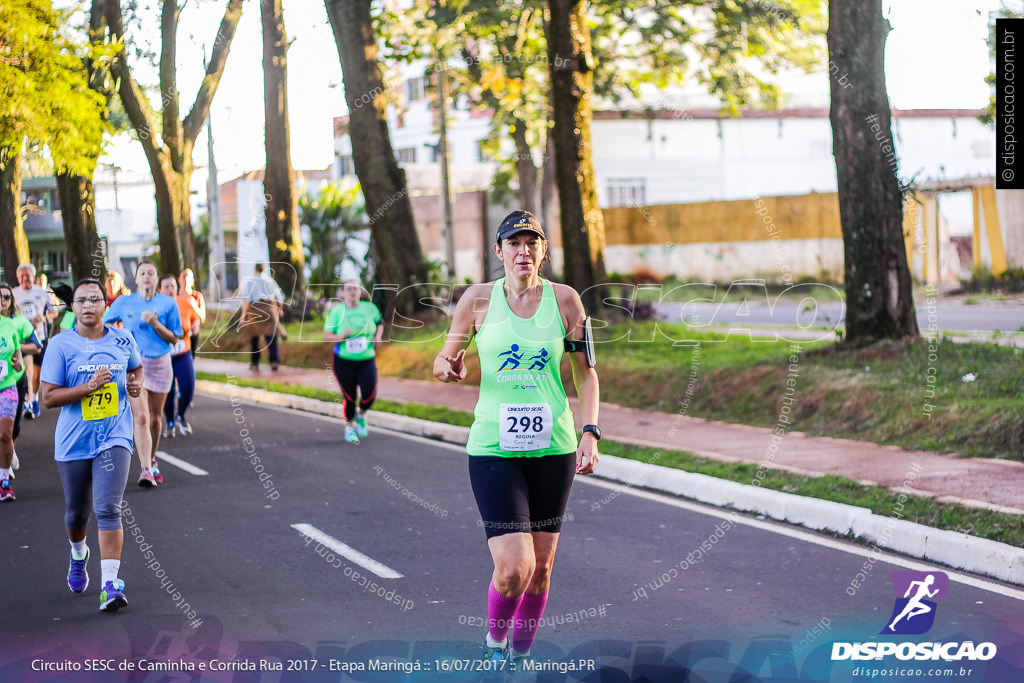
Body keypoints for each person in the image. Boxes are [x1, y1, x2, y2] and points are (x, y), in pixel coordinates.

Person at [432, 210, 601, 668]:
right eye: (514, 243)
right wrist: (449, 365)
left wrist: (590, 431)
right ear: (498, 251)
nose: (523, 250)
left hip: (555, 448)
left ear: (543, 251)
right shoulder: (477, 300)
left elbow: (586, 376)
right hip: (493, 449)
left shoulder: (566, 302)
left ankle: (520, 659)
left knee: (541, 570)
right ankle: (493, 645)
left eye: (532, 242)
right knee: (514, 568)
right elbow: (444, 357)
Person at [40, 278, 143, 611]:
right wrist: (88, 387)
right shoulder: (60, 345)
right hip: (73, 442)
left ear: (105, 304)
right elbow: (48, 397)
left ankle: (110, 586)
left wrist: (135, 383)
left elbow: (137, 367)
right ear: (72, 307)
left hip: (114, 436)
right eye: (81, 300)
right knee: (76, 513)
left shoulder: (123, 339)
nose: (87, 305)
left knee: (108, 508)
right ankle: (77, 553)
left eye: (94, 299)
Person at [104, 261, 182, 487]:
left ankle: (152, 458)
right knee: (141, 417)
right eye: (142, 273)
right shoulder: (124, 302)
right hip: (135, 366)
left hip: (161, 364)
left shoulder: (167, 303)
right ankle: (146, 469)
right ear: (136, 278)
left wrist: (156, 324)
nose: (147, 276)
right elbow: (103, 324)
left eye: (151, 273)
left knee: (156, 419)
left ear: (156, 279)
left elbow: (175, 338)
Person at [323, 280, 383, 444]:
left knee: (369, 394)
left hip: (367, 359)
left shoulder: (369, 308)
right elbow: (327, 335)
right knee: (349, 397)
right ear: (343, 293)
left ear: (360, 291)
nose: (352, 292)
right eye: (348, 289)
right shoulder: (337, 312)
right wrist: (342, 336)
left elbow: (380, 322)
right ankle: (349, 427)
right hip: (343, 361)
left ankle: (361, 415)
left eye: (355, 288)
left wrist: (378, 336)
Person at [0, 283, 43, 485]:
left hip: (14, 381)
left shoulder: (18, 323)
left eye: (6, 297)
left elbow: (36, 346)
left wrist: (16, 350)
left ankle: (8, 454)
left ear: (11, 301)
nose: (2, 300)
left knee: (12, 429)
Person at [13, 263, 55, 420]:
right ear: (18, 278)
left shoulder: (42, 292)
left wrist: (43, 318)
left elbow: (54, 312)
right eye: (22, 275)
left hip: (39, 336)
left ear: (33, 276)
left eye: (27, 275)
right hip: (22, 336)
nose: (25, 278)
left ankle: (35, 397)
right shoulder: (13, 293)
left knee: (37, 375)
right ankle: (28, 402)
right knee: (28, 371)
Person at [159, 274, 200, 437]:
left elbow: (195, 318)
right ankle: (169, 422)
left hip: (183, 352)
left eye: (172, 286)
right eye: (166, 286)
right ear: (160, 290)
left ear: (177, 287)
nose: (170, 289)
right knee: (168, 392)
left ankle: (180, 415)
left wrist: (195, 325)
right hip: (164, 356)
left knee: (188, 387)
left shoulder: (186, 302)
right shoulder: (156, 307)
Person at [0, 301, 26, 501]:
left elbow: (19, 359)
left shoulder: (9, 325)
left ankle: (4, 482)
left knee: (4, 435)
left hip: (7, 387)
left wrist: (18, 364)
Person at [239, 263, 285, 372]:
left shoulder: (251, 282)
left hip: (256, 311)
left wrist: (243, 316)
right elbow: (280, 298)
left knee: (254, 337)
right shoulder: (270, 281)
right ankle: (274, 361)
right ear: (264, 270)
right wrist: (280, 310)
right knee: (271, 336)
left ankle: (255, 362)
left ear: (255, 270)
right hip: (269, 310)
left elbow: (246, 300)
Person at [178, 269, 206, 358]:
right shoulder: (175, 296)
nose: (186, 279)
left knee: (190, 359)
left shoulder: (197, 296)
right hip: (178, 334)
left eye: (188, 277)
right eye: (184, 276)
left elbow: (202, 317)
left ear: (192, 281)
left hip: (192, 334)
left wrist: (193, 305)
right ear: (179, 280)